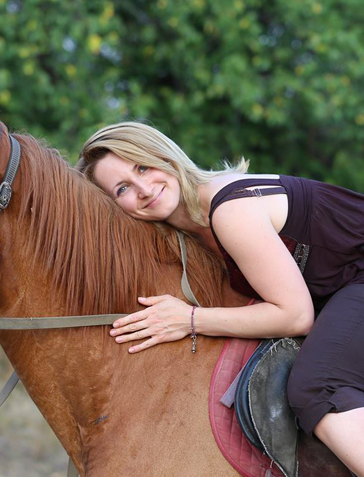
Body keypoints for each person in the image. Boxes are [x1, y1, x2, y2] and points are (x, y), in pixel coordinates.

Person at [76, 121, 364, 475]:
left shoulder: (229, 209)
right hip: (348, 288)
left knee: (317, 386)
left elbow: (296, 315)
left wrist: (190, 319)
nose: (144, 189)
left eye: (143, 167)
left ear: (165, 156)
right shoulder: (193, 231)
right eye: (122, 189)